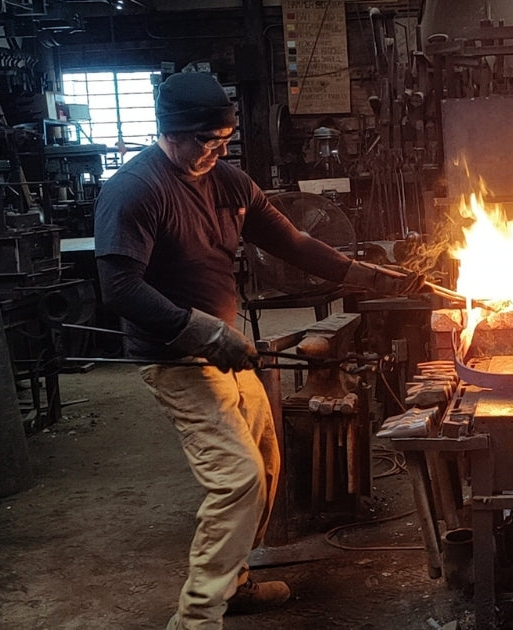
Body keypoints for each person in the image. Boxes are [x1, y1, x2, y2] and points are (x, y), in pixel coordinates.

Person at [93, 71, 423, 629]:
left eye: (223, 141)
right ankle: (196, 619)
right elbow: (120, 288)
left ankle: (234, 583)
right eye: (204, 141)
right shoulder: (135, 189)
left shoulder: (228, 181)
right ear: (168, 131)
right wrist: (198, 330)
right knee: (237, 478)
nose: (213, 152)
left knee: (267, 469)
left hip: (225, 350)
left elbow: (292, 242)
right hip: (177, 358)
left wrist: (366, 276)